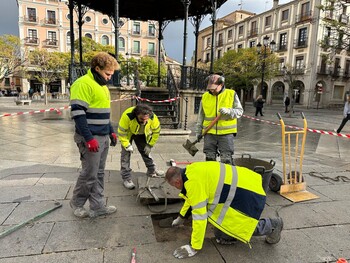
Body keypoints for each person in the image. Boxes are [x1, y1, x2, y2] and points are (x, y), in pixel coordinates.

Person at [165, 162, 283, 259]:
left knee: (242, 226)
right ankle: (228, 236)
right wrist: (181, 217)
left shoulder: (193, 183)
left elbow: (200, 217)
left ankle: (272, 225)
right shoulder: (191, 170)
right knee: (222, 235)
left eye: (174, 186)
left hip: (246, 195)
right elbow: (192, 198)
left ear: (177, 182)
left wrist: (194, 246)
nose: (175, 188)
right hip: (246, 183)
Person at [69, 52, 119, 218]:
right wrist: (89, 138)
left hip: (103, 136)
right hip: (90, 137)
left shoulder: (102, 86)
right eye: (107, 74)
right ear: (97, 68)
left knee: (98, 173)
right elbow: (78, 114)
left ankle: (97, 206)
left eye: (112, 75)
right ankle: (77, 203)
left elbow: (104, 113)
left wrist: (111, 131)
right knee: (89, 173)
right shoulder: (82, 84)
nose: (109, 78)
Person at [195, 74, 243, 164]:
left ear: (221, 84)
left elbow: (239, 111)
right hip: (209, 133)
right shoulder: (205, 96)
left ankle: (226, 177)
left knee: (226, 159)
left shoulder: (231, 94)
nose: (212, 90)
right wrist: (198, 131)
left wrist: (229, 111)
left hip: (226, 134)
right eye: (210, 88)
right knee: (209, 158)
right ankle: (212, 176)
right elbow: (201, 116)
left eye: (214, 88)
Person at [117, 104, 162, 189]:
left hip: (142, 134)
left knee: (146, 152)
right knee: (125, 156)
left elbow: (156, 132)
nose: (144, 121)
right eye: (141, 119)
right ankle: (126, 178)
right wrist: (127, 145)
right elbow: (121, 133)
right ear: (136, 114)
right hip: (128, 134)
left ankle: (151, 170)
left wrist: (150, 145)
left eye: (146, 119)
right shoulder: (127, 116)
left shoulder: (153, 117)